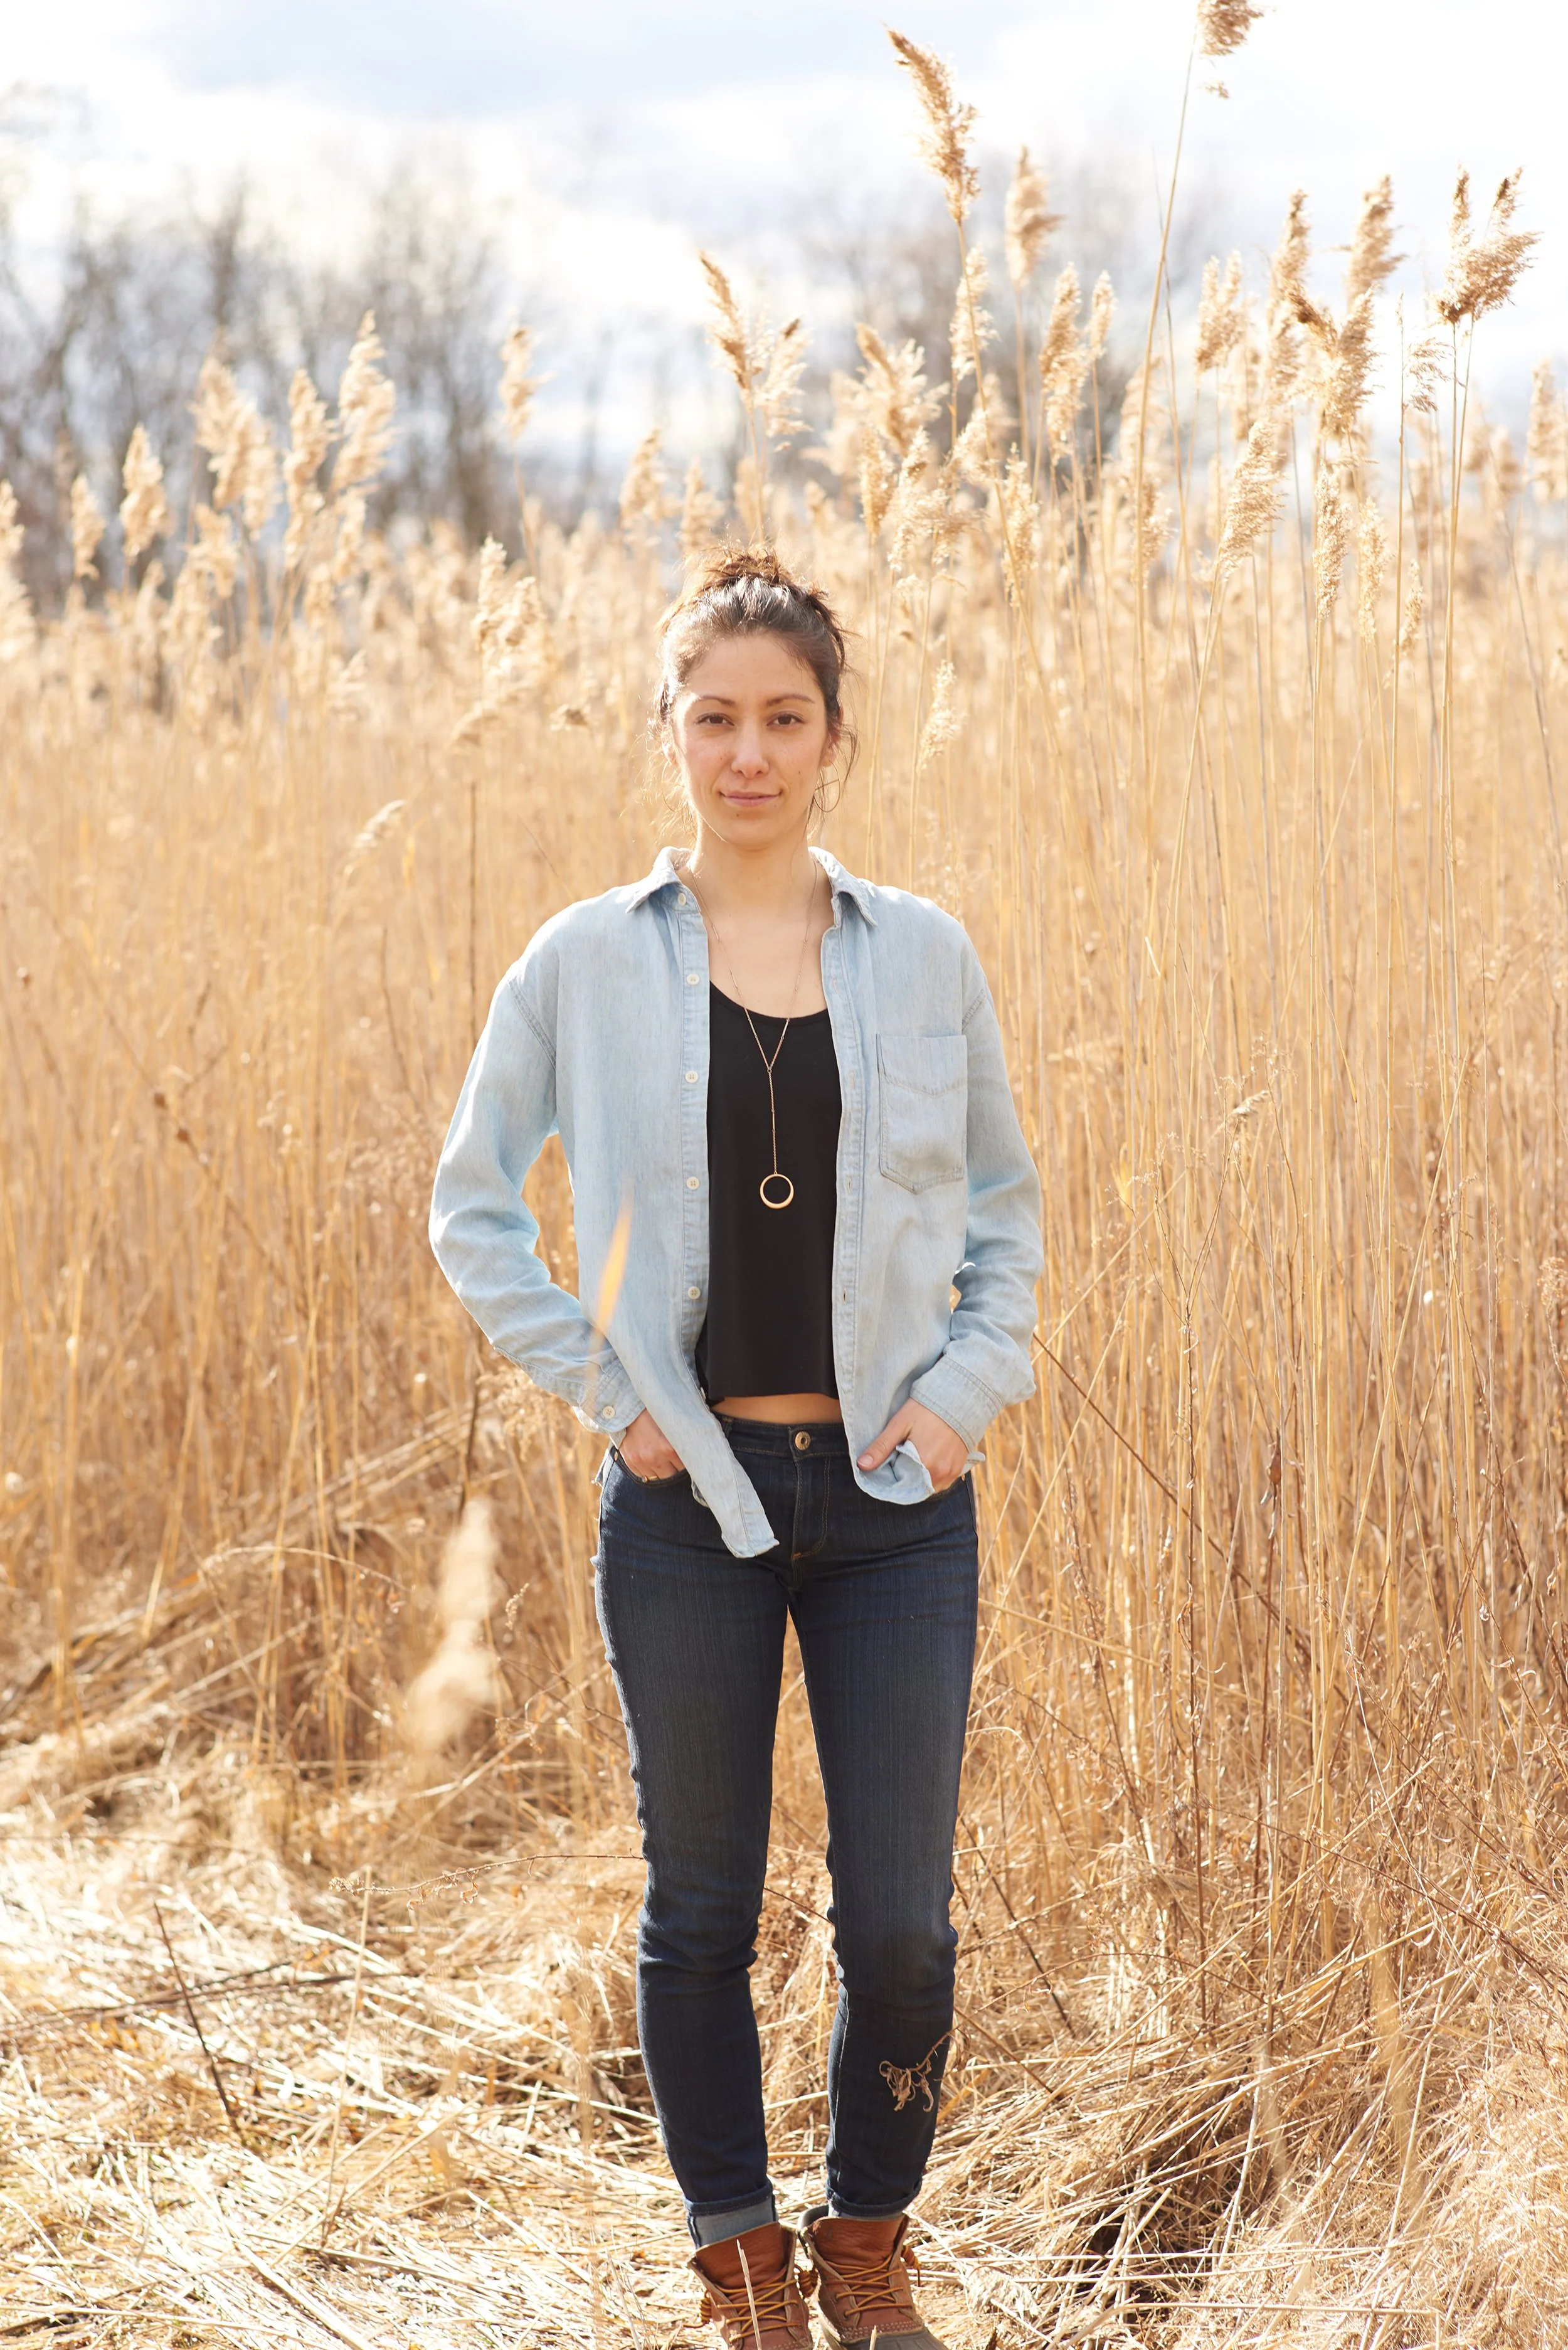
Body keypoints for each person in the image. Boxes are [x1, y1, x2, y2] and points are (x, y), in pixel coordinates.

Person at [429, 546, 1043, 2350]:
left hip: (896, 1502)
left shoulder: (921, 955)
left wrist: (964, 1391)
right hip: (683, 1503)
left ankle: (867, 2241)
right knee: (698, 1904)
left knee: (903, 1924)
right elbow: (473, 1208)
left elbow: (1004, 1213)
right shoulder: (579, 965)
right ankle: (739, 2263)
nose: (749, 753)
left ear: (835, 738)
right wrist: (609, 1397)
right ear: (670, 736)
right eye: (716, 719)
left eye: (784, 719)